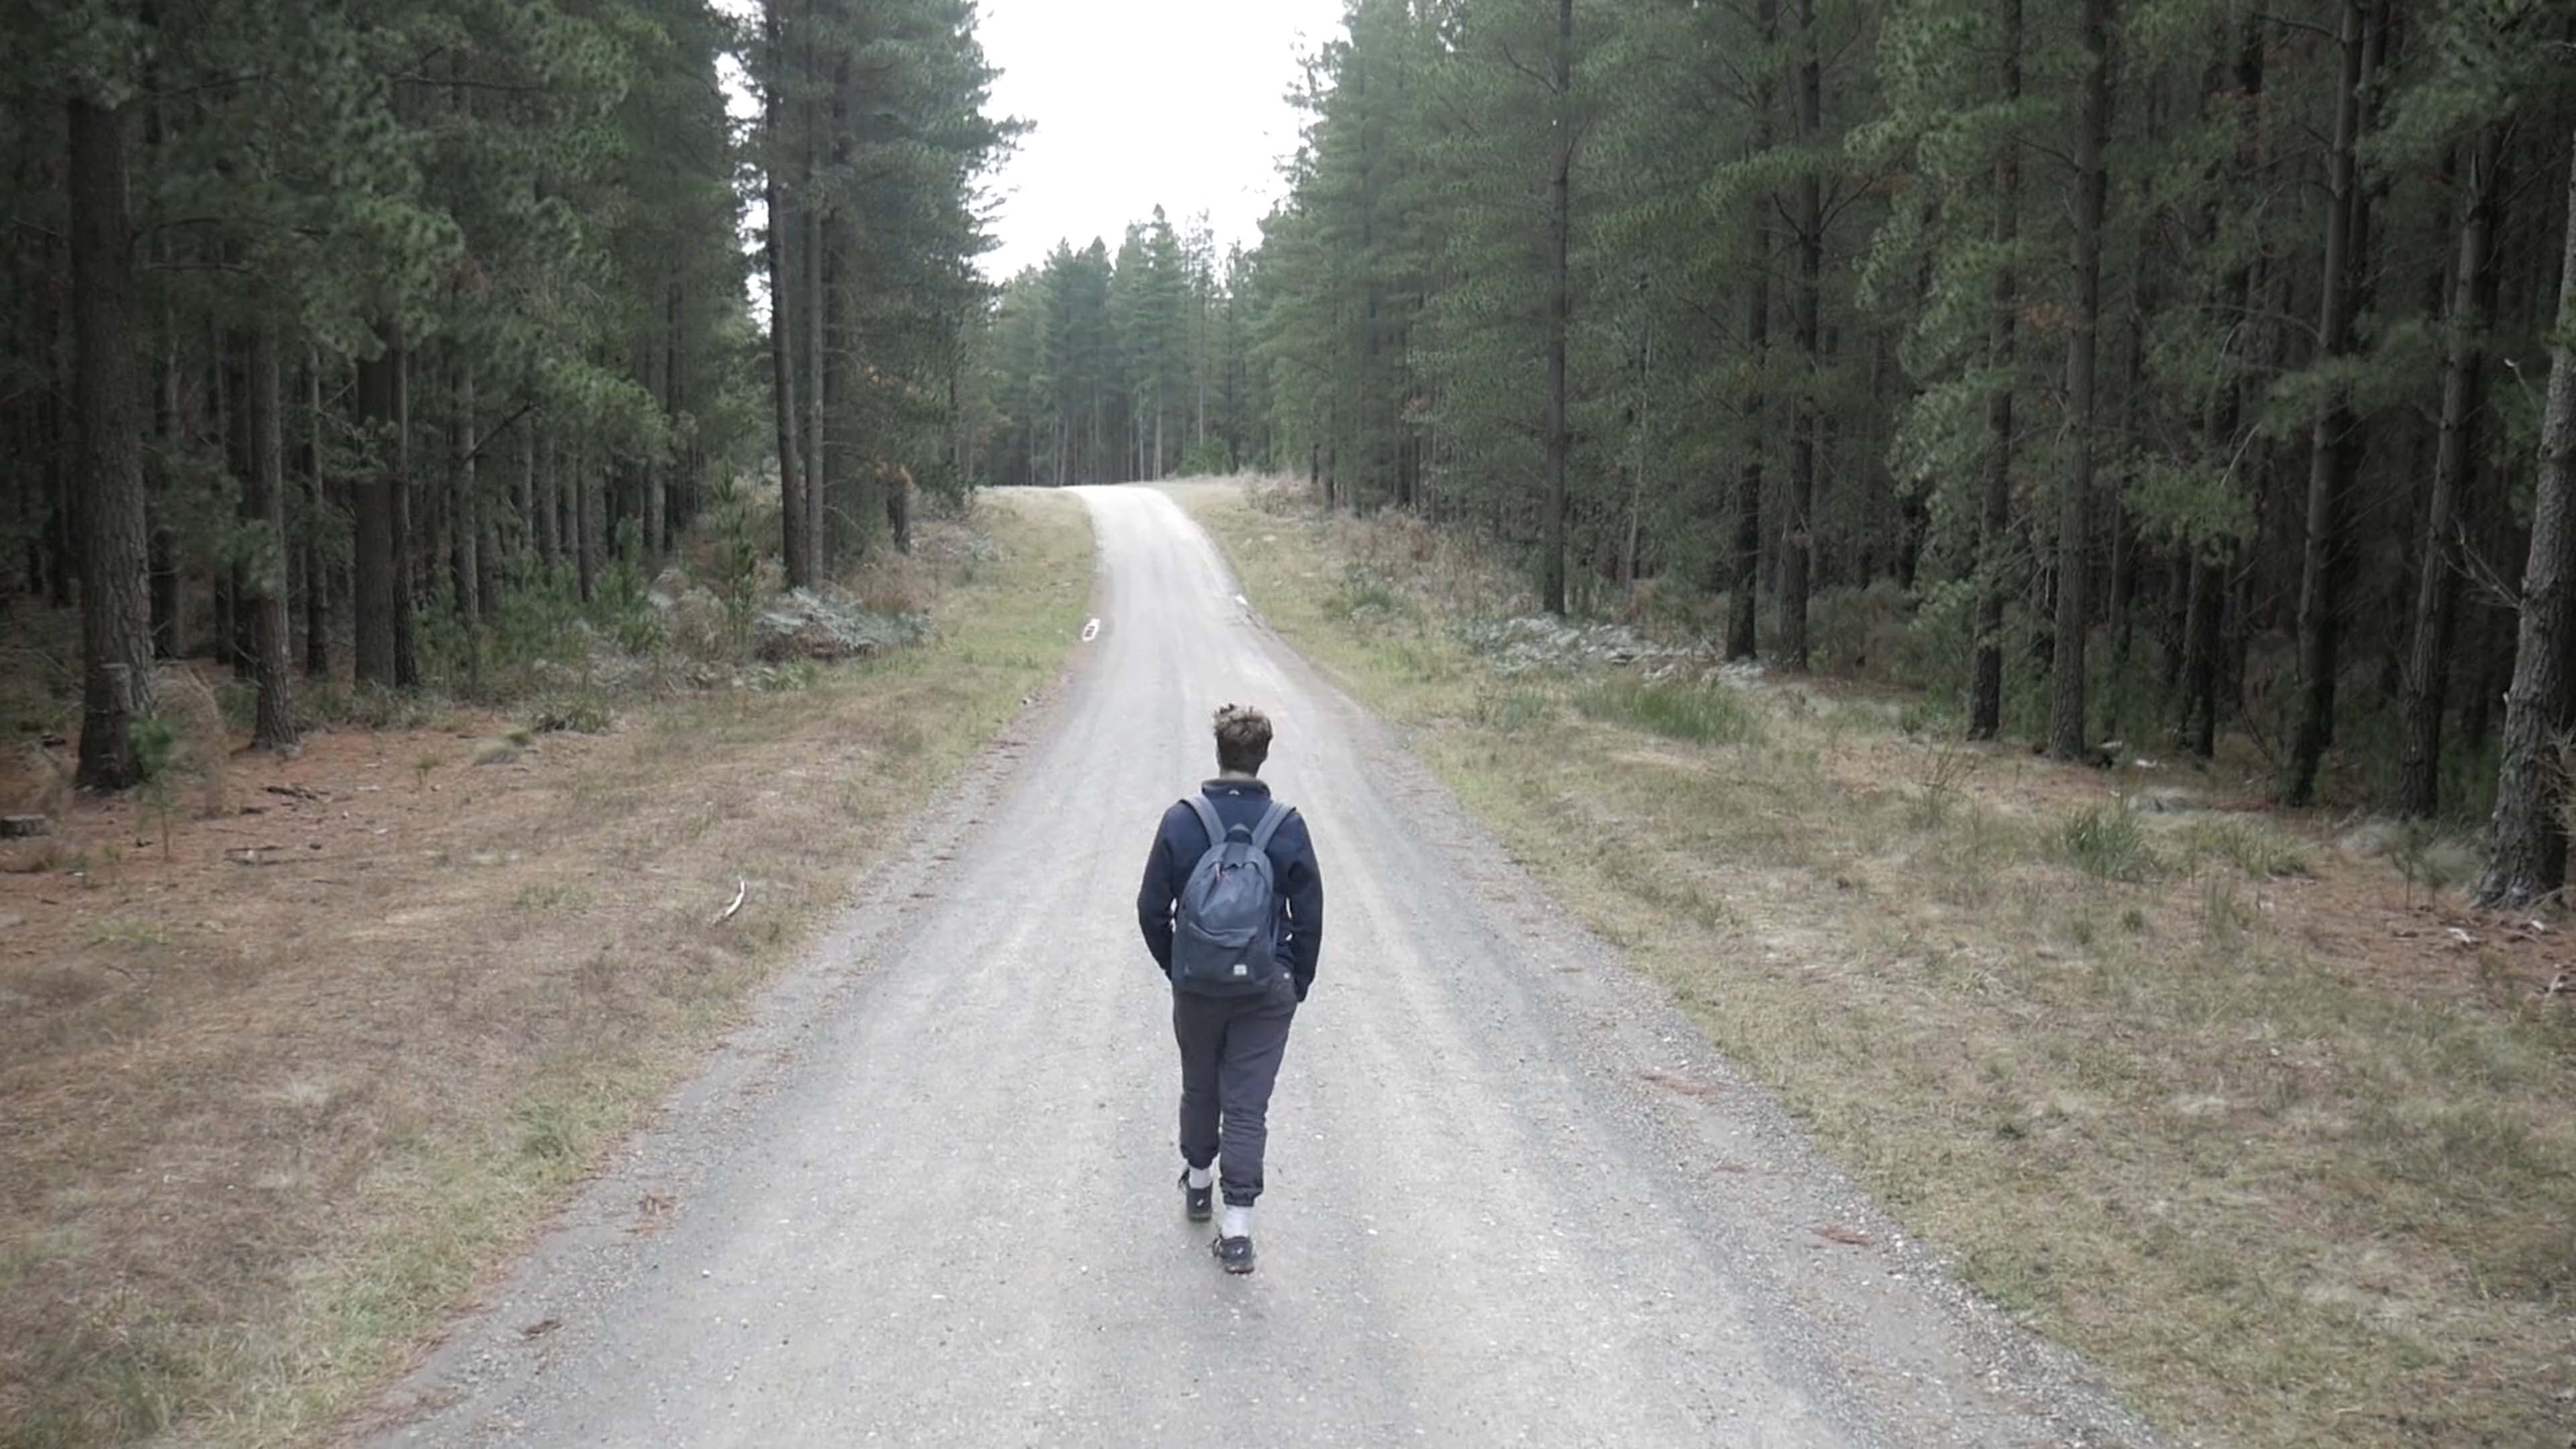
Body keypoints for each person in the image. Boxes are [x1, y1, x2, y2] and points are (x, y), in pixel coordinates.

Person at [1136, 704, 1324, 1275]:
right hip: (1265, 989)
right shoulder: (1286, 824)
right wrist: (1295, 978)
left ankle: (1198, 1184)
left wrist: (1178, 968)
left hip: (1197, 986)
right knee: (1247, 1105)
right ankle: (1237, 1233)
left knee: (1200, 1086)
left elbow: (1150, 909)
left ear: (1219, 753)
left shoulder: (1182, 820)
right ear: (1263, 755)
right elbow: (1309, 913)